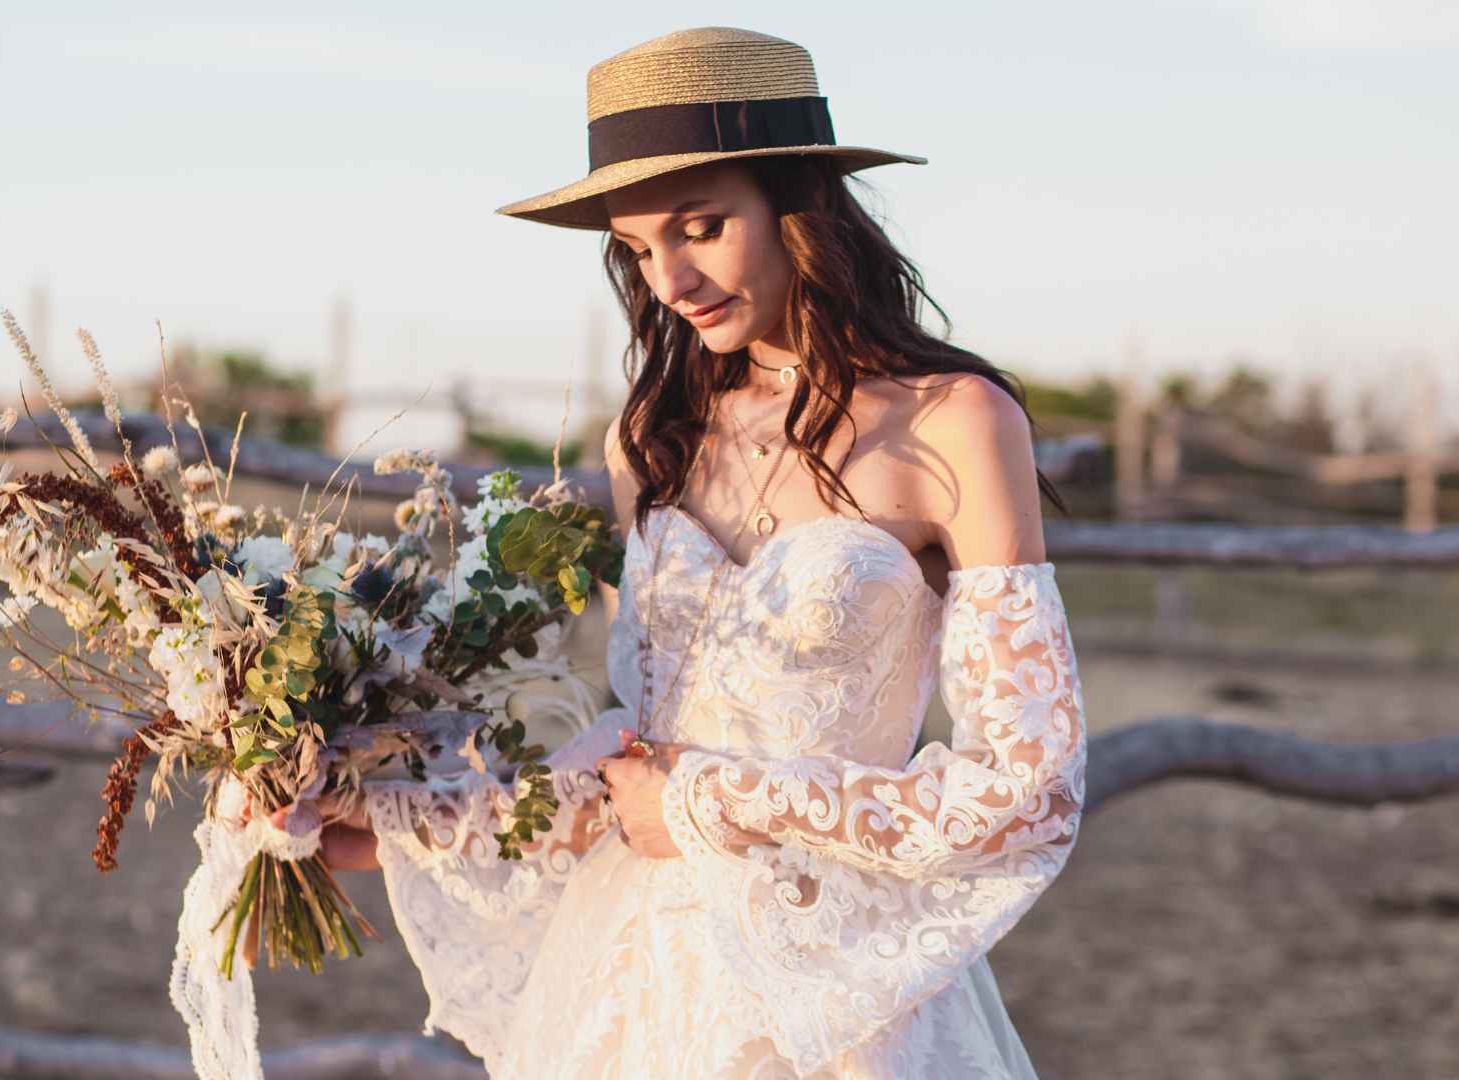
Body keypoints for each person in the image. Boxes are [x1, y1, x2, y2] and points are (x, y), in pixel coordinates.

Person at [297, 26, 1088, 1079]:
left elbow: (1029, 792)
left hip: (837, 1002)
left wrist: (707, 804)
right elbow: (640, 752)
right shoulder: (653, 436)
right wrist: (385, 821)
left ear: (795, 204)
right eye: (635, 248)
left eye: (701, 227)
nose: (669, 277)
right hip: (629, 990)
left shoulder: (957, 421)